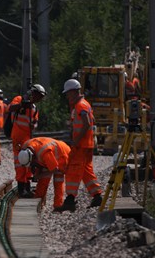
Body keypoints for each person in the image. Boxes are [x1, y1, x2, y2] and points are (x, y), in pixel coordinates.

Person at [55, 79, 103, 212]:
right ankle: (97, 196)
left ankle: (70, 200)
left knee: (72, 170)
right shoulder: (85, 104)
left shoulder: (80, 105)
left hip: (81, 145)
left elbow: (86, 123)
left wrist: (76, 140)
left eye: (68, 94)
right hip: (87, 144)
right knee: (86, 171)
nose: (67, 96)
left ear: (74, 92)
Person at [8, 84, 47, 197]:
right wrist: (22, 105)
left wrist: (33, 125)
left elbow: (35, 121)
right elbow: (10, 108)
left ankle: (26, 187)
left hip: (28, 139)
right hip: (18, 138)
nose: (39, 99)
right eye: (39, 96)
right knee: (20, 162)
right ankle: (21, 188)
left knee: (28, 162)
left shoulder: (34, 108)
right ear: (33, 93)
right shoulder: (19, 99)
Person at [18, 137, 70, 210]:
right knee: (43, 179)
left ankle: (58, 205)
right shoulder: (26, 146)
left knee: (58, 179)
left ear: (32, 156)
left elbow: (54, 169)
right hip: (51, 156)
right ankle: (38, 200)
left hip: (62, 155)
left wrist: (39, 175)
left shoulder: (45, 153)